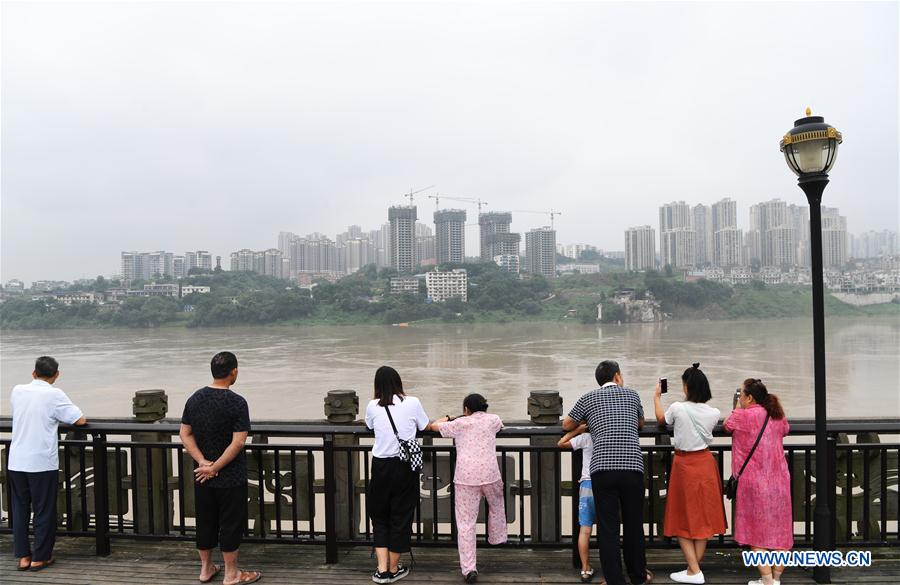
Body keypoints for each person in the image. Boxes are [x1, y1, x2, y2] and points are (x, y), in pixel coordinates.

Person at [563, 360, 650, 585]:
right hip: (632, 467)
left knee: (608, 527)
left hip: (602, 469)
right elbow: (641, 423)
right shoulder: (632, 395)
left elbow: (566, 424)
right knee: (633, 525)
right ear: (618, 376)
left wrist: (586, 422)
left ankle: (614, 579)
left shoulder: (588, 398)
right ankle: (638, 576)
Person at [180, 352, 260, 585]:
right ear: (233, 372)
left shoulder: (195, 398)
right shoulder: (237, 402)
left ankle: (206, 569)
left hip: (202, 476)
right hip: (230, 476)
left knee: (205, 521)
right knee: (230, 524)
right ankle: (231, 574)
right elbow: (238, 442)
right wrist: (215, 467)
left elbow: (184, 434)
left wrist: (203, 462)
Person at [8, 356, 86, 571]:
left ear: (33, 373)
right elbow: (79, 420)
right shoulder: (54, 394)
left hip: (16, 460)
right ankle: (40, 557)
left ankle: (23, 557)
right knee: (44, 511)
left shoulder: (17, 390)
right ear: (56, 375)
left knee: (20, 509)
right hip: (41, 462)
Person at [653, 363, 727, 585]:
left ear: (687, 387)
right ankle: (693, 569)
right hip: (705, 463)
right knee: (702, 517)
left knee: (681, 515)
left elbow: (661, 421)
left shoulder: (677, 408)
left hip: (684, 464)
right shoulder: (714, 413)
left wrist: (656, 397)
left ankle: (694, 571)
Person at [429, 394, 507, 583]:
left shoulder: (461, 423)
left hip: (466, 477)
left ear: (466, 409)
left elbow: (432, 426)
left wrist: (450, 418)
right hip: (490, 474)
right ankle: (497, 538)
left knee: (466, 524)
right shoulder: (493, 420)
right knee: (497, 506)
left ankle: (469, 569)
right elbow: (500, 425)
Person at [365, 366, 429, 584]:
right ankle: (394, 569)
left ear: (377, 385)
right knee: (401, 516)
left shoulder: (372, 405)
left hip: (381, 466)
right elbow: (424, 425)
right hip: (404, 466)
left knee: (380, 515)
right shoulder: (413, 402)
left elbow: (369, 425)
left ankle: (381, 570)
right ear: (398, 382)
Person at [724, 379, 792, 585]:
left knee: (756, 532)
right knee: (781, 530)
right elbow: (786, 429)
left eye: (742, 395)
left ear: (749, 397)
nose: (741, 398)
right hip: (780, 481)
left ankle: (767, 579)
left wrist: (736, 408)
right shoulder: (777, 415)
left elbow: (727, 426)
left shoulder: (741, 415)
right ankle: (777, 578)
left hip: (753, 484)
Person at [559, 422, 602, 584]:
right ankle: (610, 567)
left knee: (585, 530)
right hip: (604, 484)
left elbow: (560, 443)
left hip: (586, 485)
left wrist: (577, 430)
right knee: (607, 529)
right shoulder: (607, 437)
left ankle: (585, 568)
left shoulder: (585, 438)